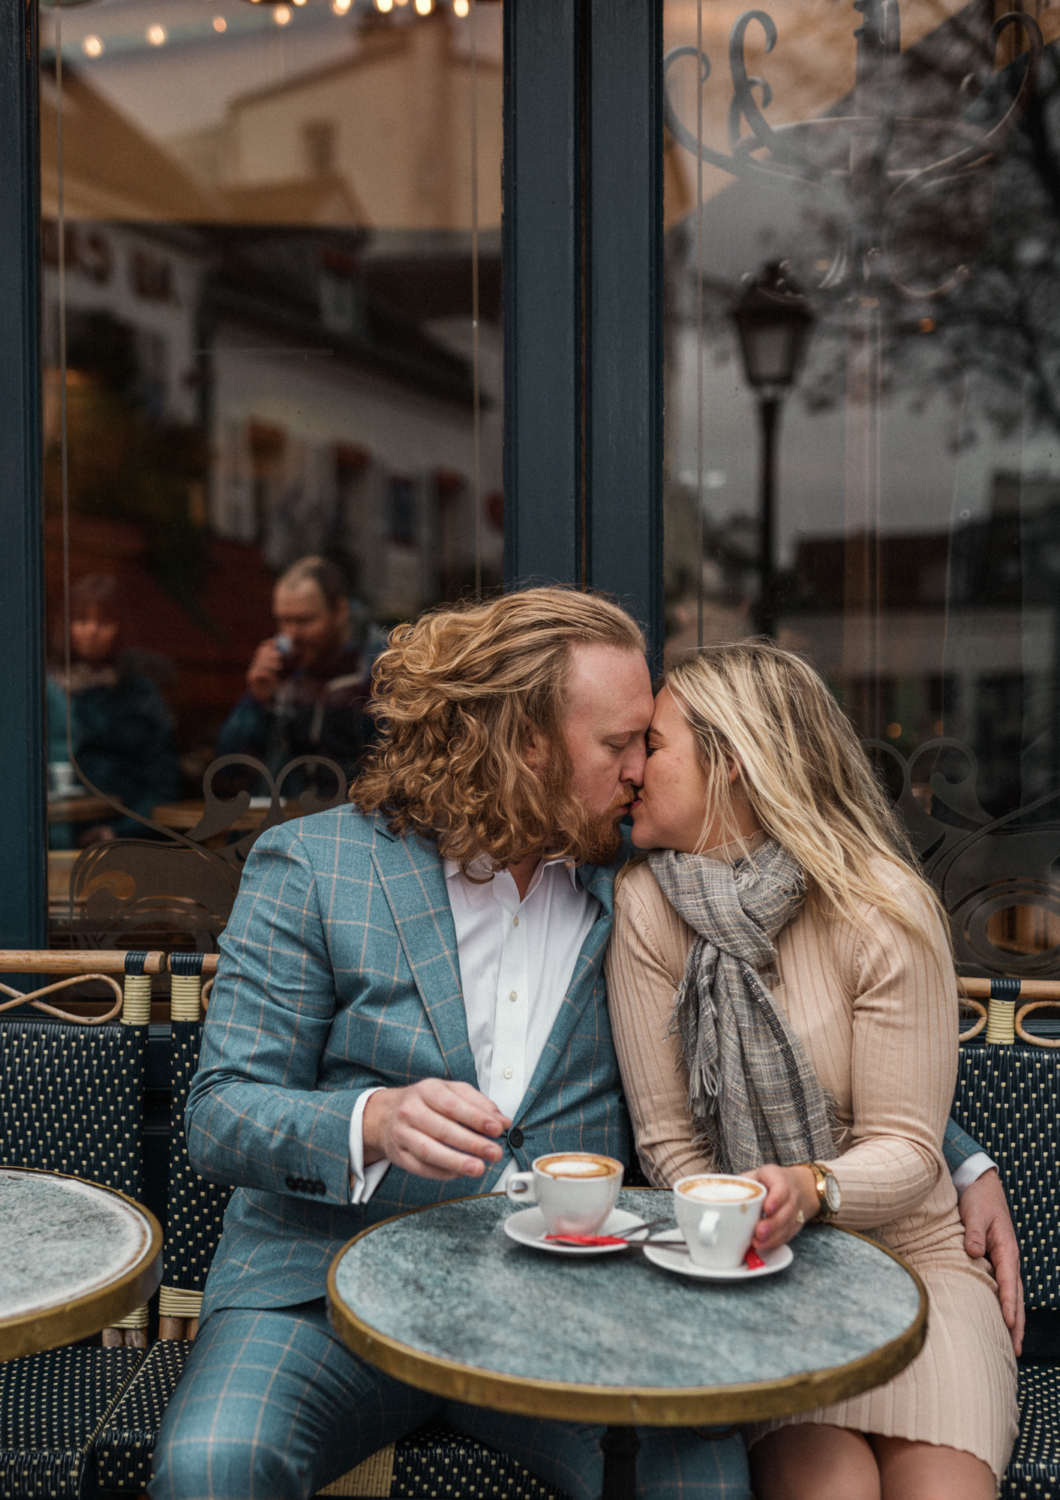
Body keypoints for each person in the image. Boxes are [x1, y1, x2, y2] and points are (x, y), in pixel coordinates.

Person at [152, 590, 1018, 1500]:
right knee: (214, 1465)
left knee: (704, 1482)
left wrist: (956, 1157)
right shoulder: (317, 867)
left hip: (570, 1297)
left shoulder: (642, 883)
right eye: (620, 744)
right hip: (320, 1295)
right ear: (527, 741)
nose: (642, 768)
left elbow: (792, 1025)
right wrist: (370, 1121)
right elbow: (222, 1112)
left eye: (650, 743)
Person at [604, 641, 1019, 1500]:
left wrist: (810, 1188)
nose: (634, 769)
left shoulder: (880, 908)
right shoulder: (646, 907)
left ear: (733, 766)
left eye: (656, 744)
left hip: (917, 1264)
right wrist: (743, 1229)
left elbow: (909, 1147)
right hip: (759, 1275)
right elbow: (669, 1147)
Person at [214, 555, 374, 798]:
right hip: (290, 819)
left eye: (304, 620)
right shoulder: (286, 674)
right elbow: (229, 766)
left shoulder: (374, 671)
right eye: (283, 621)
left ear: (340, 611)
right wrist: (256, 701)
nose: (291, 635)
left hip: (355, 818)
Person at [47, 573, 181, 847]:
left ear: (120, 629)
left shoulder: (140, 695)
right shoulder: (44, 692)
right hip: (51, 837)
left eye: (104, 622)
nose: (92, 631)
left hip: (122, 839)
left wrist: (121, 832)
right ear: (66, 626)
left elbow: (164, 783)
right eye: (82, 620)